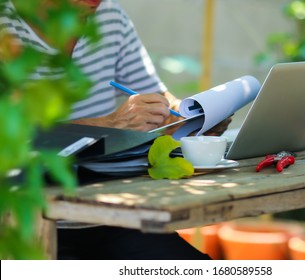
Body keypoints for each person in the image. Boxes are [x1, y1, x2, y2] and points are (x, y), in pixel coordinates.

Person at [0, 0, 231, 259]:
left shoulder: (109, 16)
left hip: (112, 215)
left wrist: (193, 115)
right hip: (22, 227)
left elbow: (157, 97)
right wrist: (109, 124)